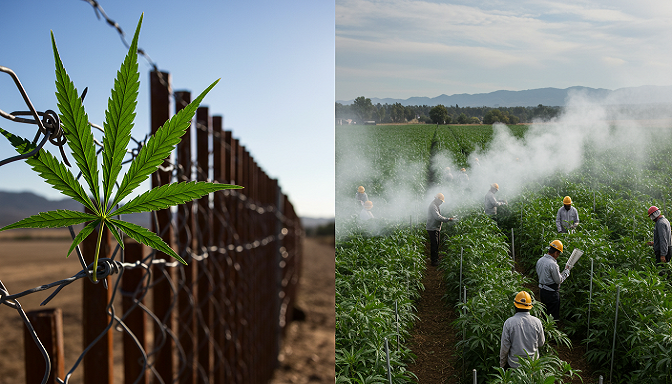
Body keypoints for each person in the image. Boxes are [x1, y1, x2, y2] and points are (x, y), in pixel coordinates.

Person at [500, 291, 545, 369]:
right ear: (530, 306)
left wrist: (502, 365)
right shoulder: (537, 322)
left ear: (515, 306)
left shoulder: (509, 323)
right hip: (532, 365)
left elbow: (505, 347)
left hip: (515, 365)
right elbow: (541, 343)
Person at [536, 240, 571, 321]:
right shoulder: (552, 264)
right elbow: (558, 280)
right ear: (555, 252)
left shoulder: (540, 260)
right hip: (551, 294)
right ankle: (551, 332)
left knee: (544, 313)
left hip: (542, 291)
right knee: (552, 316)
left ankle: (544, 330)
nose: (558, 255)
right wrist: (566, 272)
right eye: (558, 253)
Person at [426, 193, 455, 266]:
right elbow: (437, 217)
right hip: (432, 228)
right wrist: (448, 219)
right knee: (434, 244)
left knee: (436, 244)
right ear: (437, 200)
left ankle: (435, 259)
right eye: (441, 201)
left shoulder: (435, 205)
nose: (441, 203)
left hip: (434, 227)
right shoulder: (433, 206)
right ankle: (434, 261)